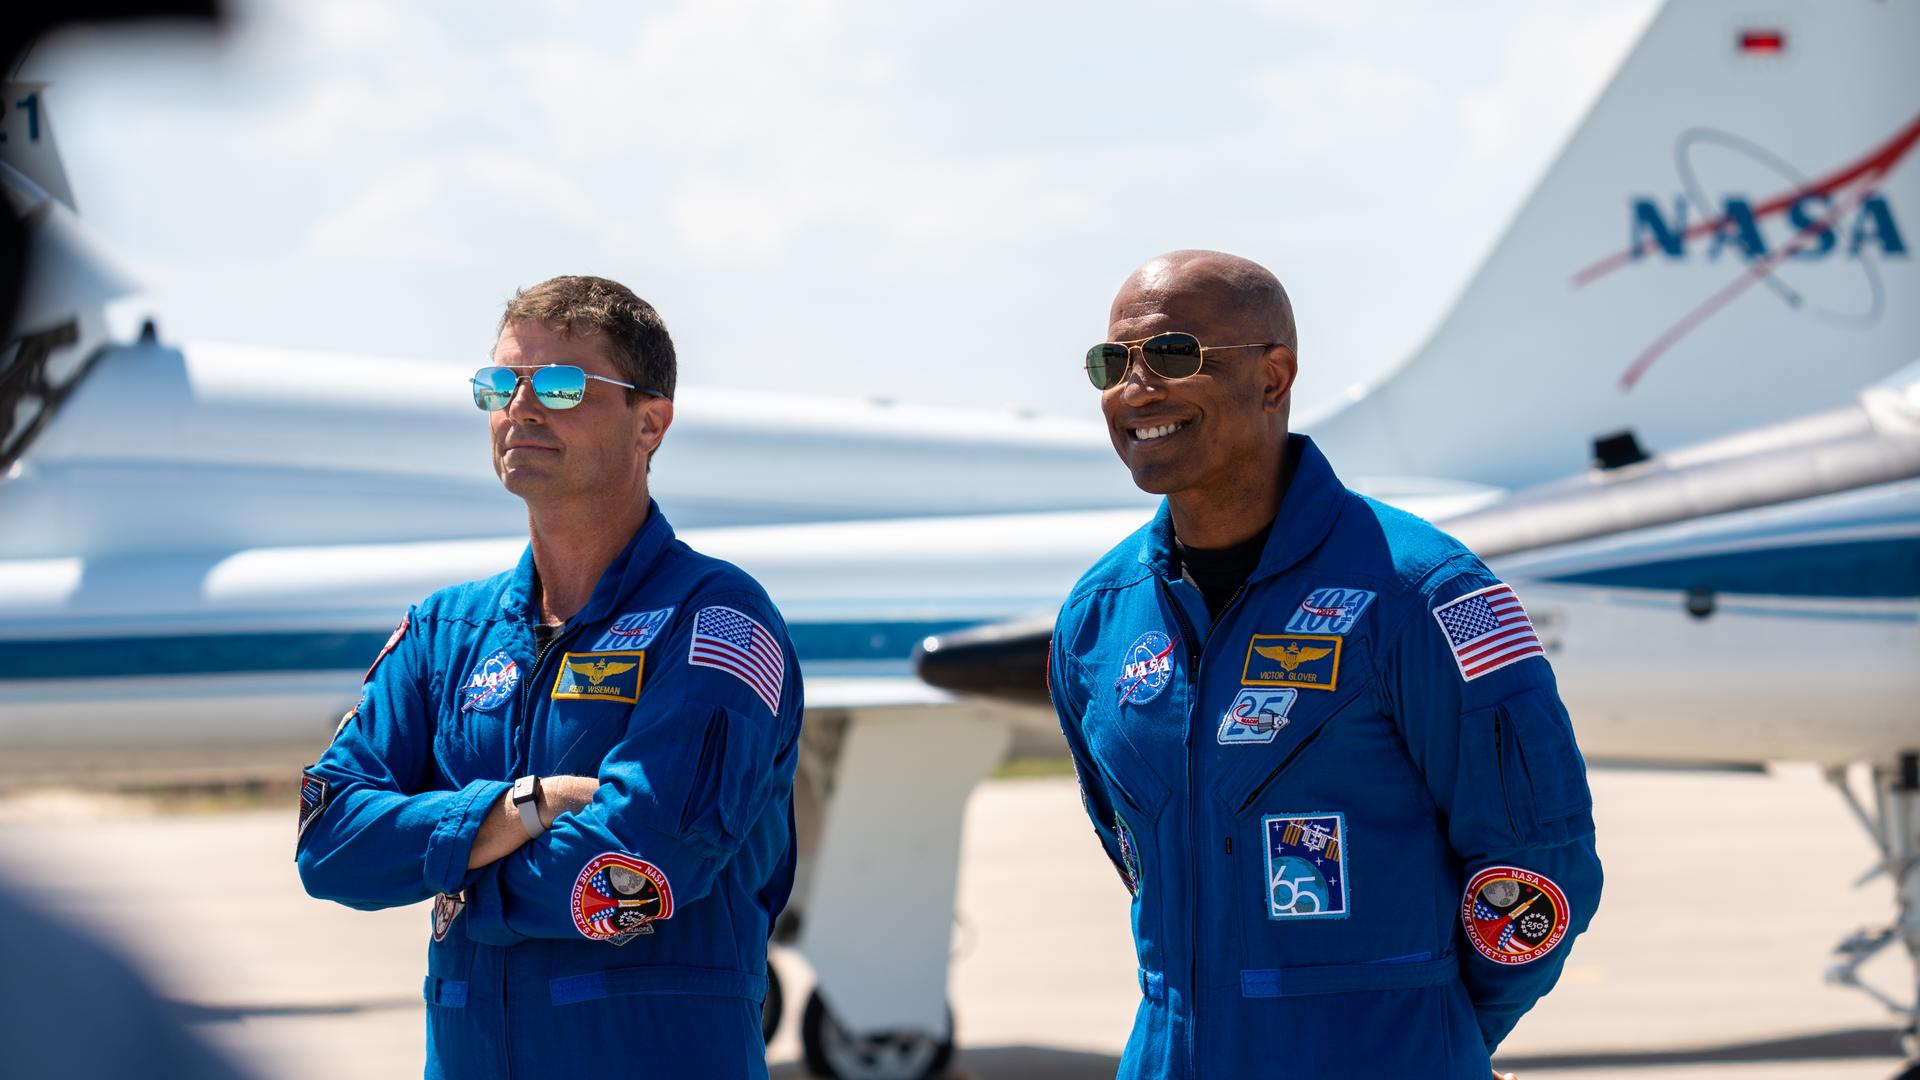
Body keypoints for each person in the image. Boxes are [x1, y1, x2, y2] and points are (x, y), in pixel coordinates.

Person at [1047, 250, 1602, 1079]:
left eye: (1170, 356)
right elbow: (1140, 859)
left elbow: (1538, 868)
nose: (1136, 388)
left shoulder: (1423, 593)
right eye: (1112, 363)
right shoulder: (1097, 619)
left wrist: (1428, 1031)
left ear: (1274, 377)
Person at [296, 276, 803, 1078]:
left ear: (651, 423)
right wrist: (517, 808)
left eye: (564, 385)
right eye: (500, 383)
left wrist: (453, 875)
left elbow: (631, 874)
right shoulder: (445, 631)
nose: (522, 407)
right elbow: (329, 846)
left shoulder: (716, 623)